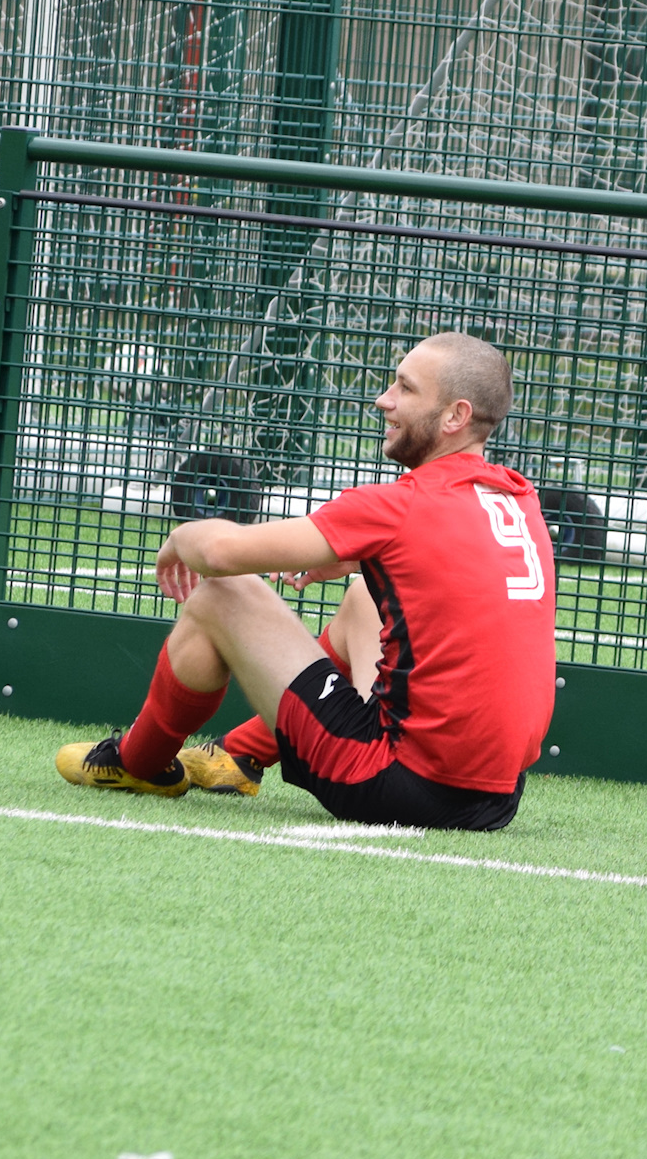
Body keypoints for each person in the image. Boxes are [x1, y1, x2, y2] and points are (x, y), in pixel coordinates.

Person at [55, 333, 556, 832]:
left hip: (396, 783)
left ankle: (140, 763)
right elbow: (456, 575)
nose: (384, 399)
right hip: (495, 799)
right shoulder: (518, 499)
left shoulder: (398, 506)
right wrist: (363, 564)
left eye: (405, 388)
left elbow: (218, 553)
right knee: (363, 598)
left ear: (455, 417)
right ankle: (241, 754)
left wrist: (180, 536)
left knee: (222, 594)